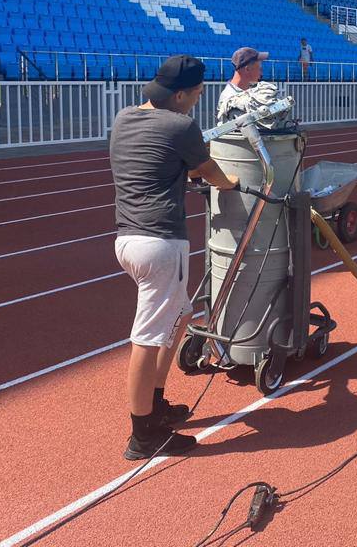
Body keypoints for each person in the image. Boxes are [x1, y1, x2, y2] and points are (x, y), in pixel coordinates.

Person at [110, 55, 239, 460]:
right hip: (161, 243)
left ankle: (157, 401)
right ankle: (142, 434)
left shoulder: (124, 118)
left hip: (127, 242)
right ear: (181, 94)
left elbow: (157, 165)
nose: (197, 102)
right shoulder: (180, 125)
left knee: (182, 313)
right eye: (197, 95)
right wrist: (230, 183)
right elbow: (209, 171)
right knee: (147, 338)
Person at [217, 46, 269, 120]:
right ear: (247, 69)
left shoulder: (252, 90)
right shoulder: (229, 98)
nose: (261, 73)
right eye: (259, 69)